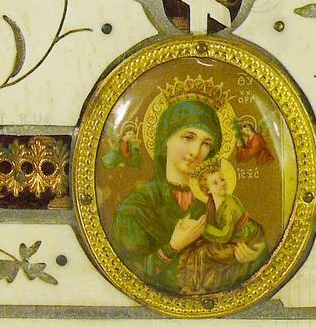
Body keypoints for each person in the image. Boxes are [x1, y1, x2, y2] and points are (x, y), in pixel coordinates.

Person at [110, 98, 266, 294]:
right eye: (188, 137)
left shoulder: (217, 199)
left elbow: (253, 240)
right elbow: (126, 272)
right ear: (165, 139)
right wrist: (172, 247)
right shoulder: (136, 206)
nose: (195, 152)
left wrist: (251, 254)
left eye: (206, 143)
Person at [176, 158, 267, 295]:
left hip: (243, 242)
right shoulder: (212, 204)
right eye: (215, 183)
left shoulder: (230, 205)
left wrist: (202, 228)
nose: (222, 184)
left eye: (222, 179)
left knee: (203, 252)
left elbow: (224, 236)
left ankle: (198, 288)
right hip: (231, 239)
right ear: (207, 189)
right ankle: (189, 286)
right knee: (192, 249)